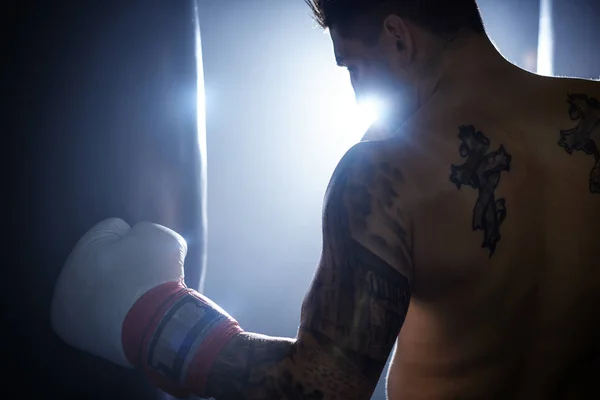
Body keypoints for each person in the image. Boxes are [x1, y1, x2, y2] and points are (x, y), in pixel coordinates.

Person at [51, 0, 600, 399]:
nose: (360, 95)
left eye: (354, 68)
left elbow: (319, 388)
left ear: (397, 35)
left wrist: (148, 314)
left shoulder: (386, 172)